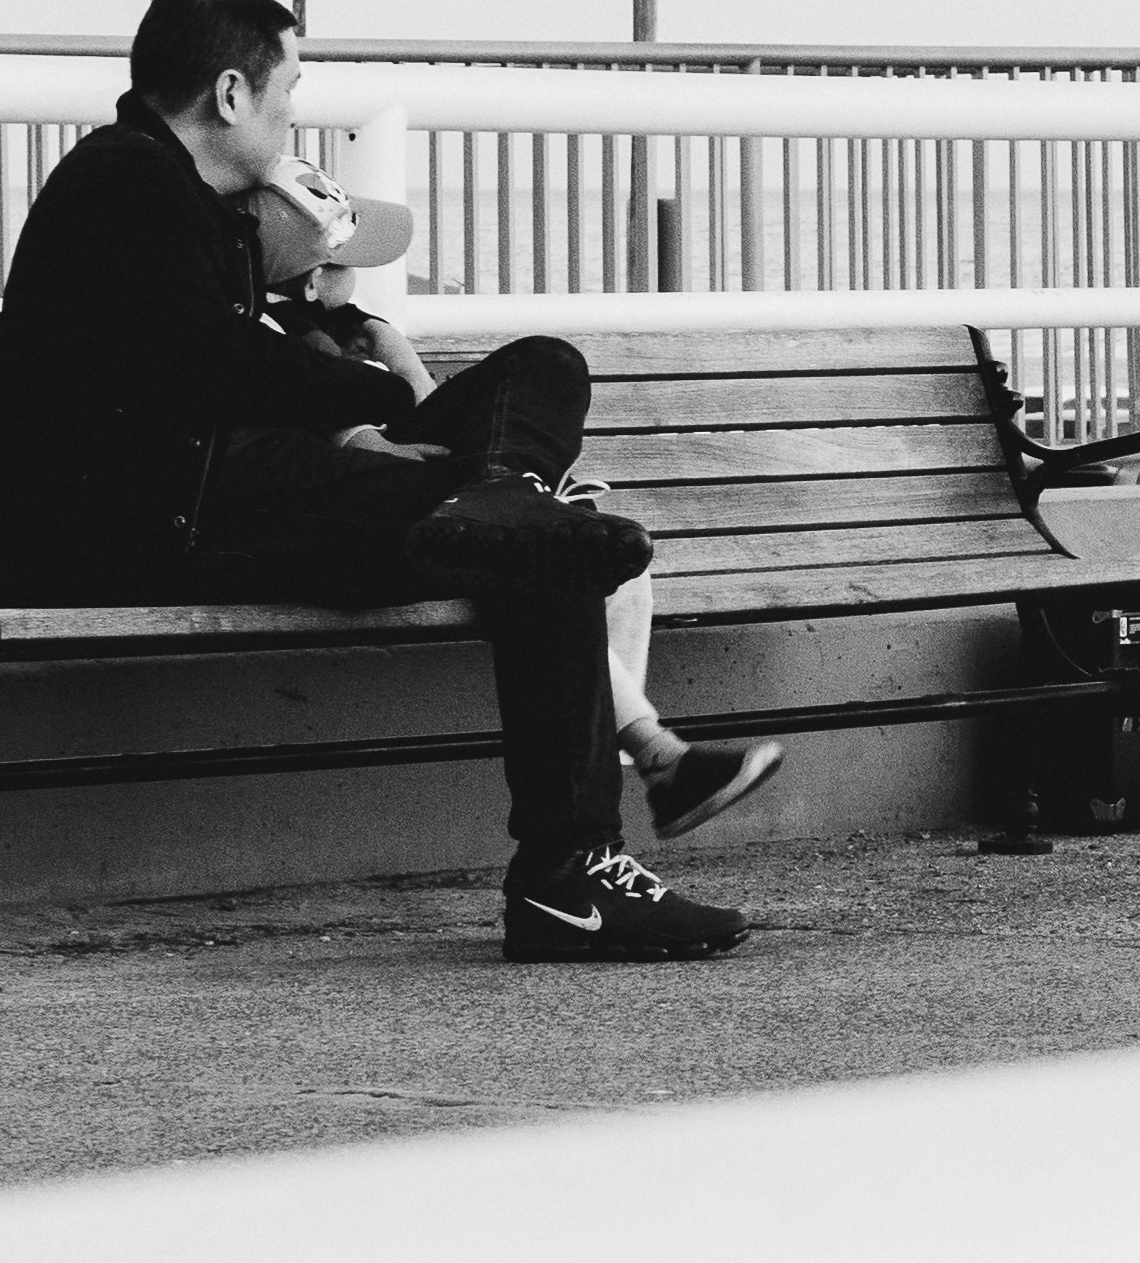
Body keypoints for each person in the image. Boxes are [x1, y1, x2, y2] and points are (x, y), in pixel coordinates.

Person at [0, 0, 757, 963]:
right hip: (162, 516)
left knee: (542, 367)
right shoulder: (124, 185)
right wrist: (374, 397)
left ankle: (500, 499)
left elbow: (229, 374)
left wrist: (361, 410)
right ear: (231, 92)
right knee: (545, 543)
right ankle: (571, 879)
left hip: (236, 484)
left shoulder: (183, 195)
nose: (291, 110)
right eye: (288, 88)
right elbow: (204, 370)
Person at [232, 163, 782, 829]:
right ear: (315, 278)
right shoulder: (269, 340)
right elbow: (294, 434)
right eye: (351, 263)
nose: (363, 278)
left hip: (443, 496)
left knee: (547, 368)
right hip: (366, 504)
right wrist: (360, 436)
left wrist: (397, 354)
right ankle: (657, 757)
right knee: (564, 559)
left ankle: (508, 498)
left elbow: (431, 414)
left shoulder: (364, 333)